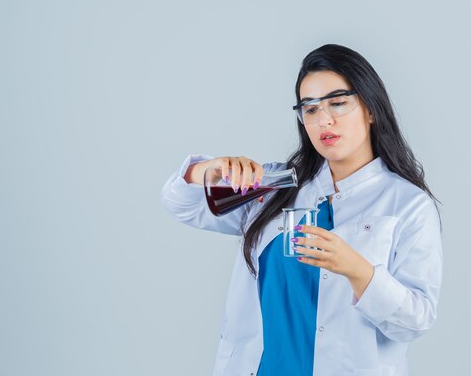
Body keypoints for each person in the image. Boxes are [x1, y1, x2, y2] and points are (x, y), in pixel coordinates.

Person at [160, 44, 443, 376]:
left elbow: (416, 319)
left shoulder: (407, 204)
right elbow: (181, 203)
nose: (324, 119)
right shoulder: (276, 185)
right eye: (309, 109)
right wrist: (208, 170)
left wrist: (358, 270)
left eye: (338, 103)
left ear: (371, 108)